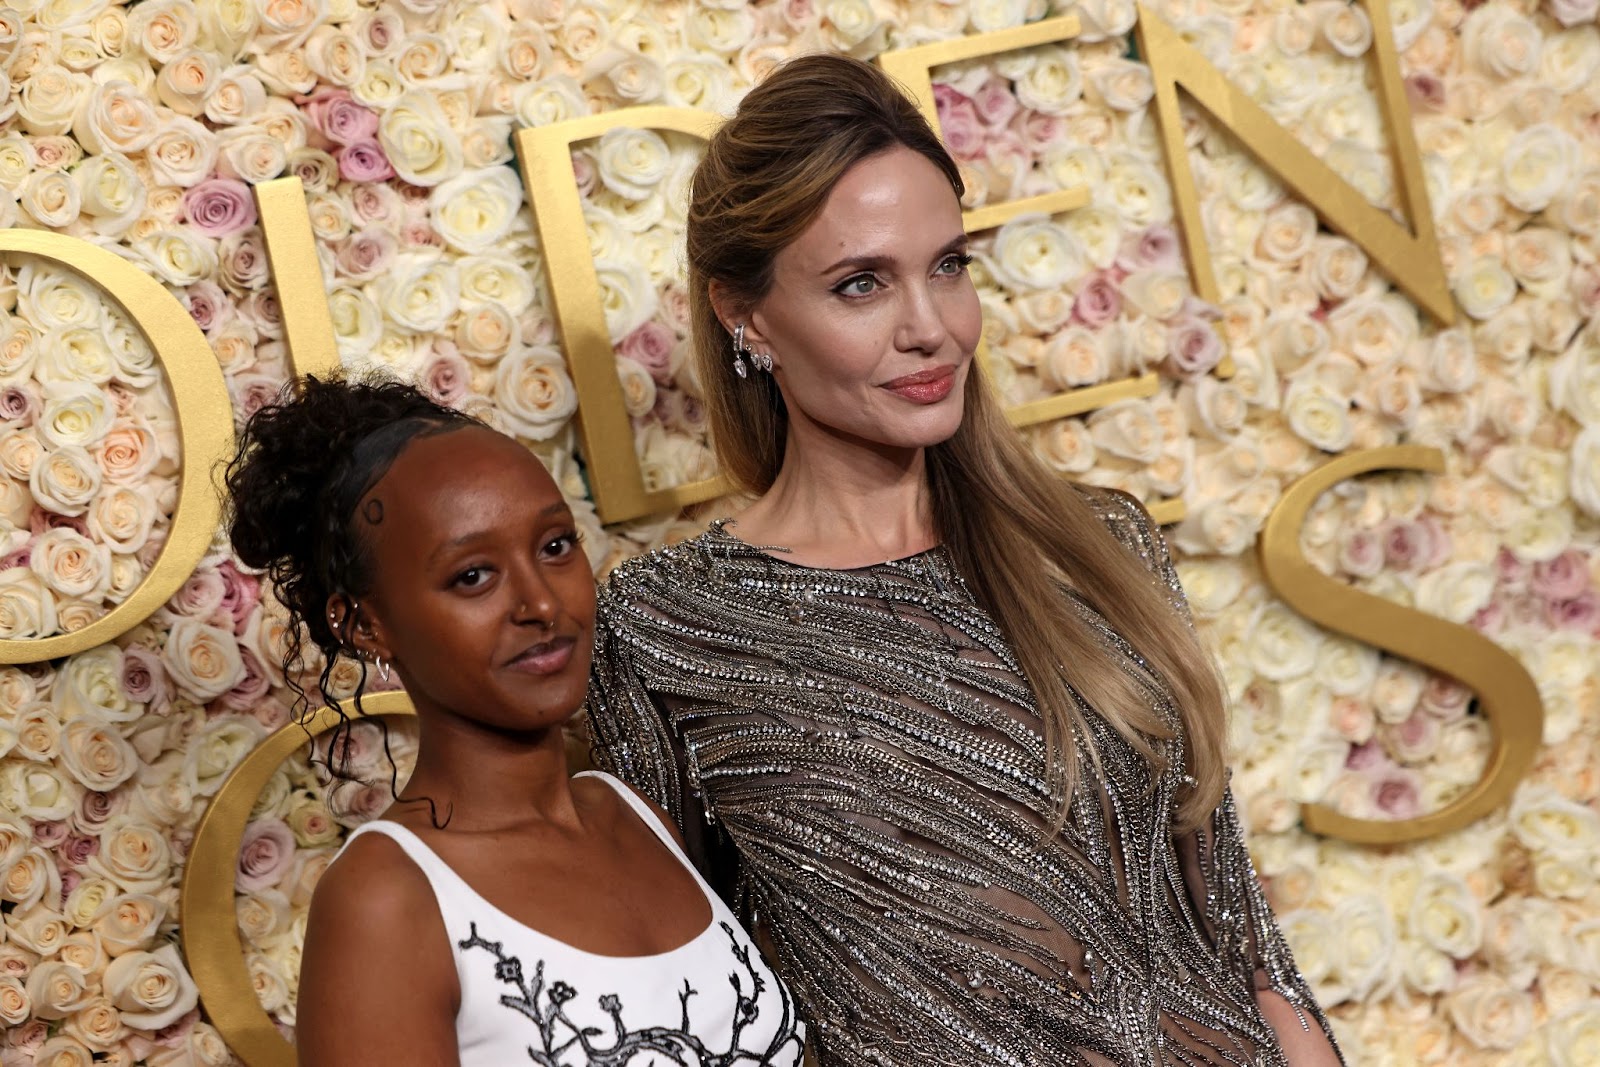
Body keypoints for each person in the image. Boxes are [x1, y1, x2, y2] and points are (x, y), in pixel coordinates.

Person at [586, 54, 1343, 1067]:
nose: (931, 327)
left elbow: (1241, 936)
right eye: (862, 283)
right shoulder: (663, 625)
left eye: (949, 265)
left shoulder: (1092, 546)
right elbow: (688, 1010)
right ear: (745, 314)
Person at [225, 375, 805, 1067]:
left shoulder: (640, 817)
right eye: (473, 576)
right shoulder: (386, 902)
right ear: (365, 623)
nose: (540, 603)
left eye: (556, 546)